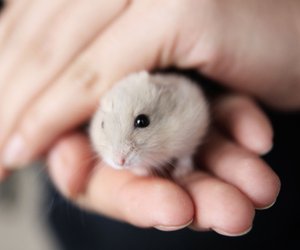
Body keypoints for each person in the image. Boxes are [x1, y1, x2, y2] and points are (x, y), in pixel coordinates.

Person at [0, 0, 299, 242]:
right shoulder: (105, 116)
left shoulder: (179, 104)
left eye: (141, 123)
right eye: (104, 126)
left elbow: (193, 106)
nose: (119, 156)